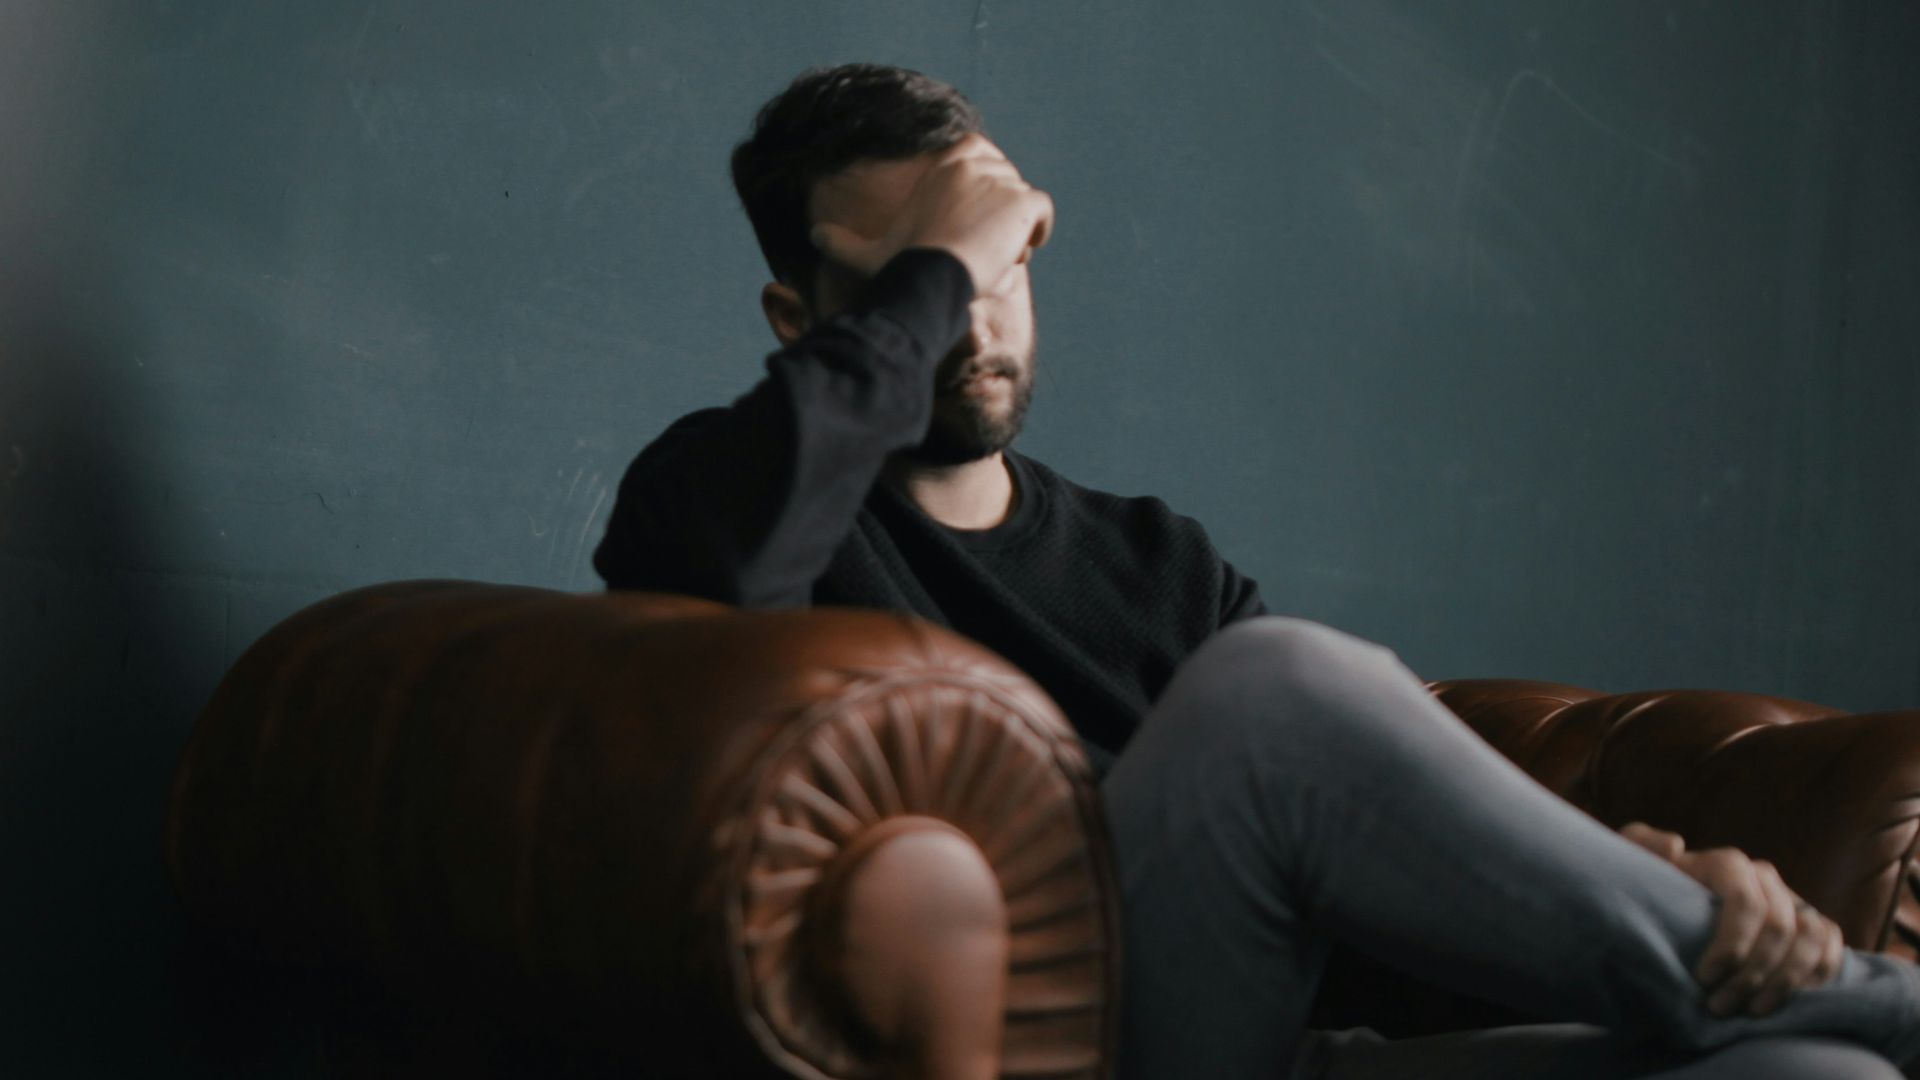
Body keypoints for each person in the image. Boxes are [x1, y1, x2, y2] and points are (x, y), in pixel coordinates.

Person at [593, 63, 1920, 1078]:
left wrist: (1632, 880)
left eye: (1006, 262)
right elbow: (725, 567)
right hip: (1066, 1048)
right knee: (1271, 686)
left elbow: (1356, 893)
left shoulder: (1156, 559)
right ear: (805, 318)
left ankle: (1836, 1010)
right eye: (933, 280)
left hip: (1279, 1055)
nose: (980, 315)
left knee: (1813, 1070)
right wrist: (948, 258)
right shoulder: (724, 495)